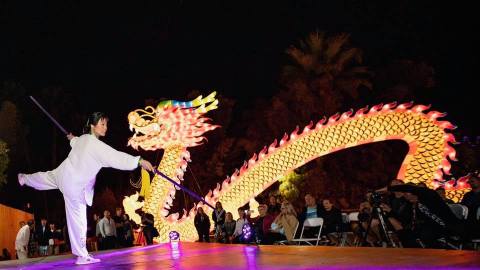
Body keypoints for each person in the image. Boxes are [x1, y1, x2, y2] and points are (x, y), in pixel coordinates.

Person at [17, 112, 154, 265]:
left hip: (63, 173)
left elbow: (75, 141)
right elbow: (116, 157)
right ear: (92, 126)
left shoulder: (82, 139)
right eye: (102, 124)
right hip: (74, 184)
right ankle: (82, 255)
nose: (105, 127)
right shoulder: (96, 145)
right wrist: (139, 161)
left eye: (106, 124)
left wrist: (71, 138)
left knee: (45, 177)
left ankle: (24, 178)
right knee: (79, 220)